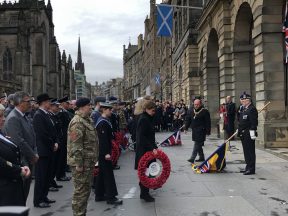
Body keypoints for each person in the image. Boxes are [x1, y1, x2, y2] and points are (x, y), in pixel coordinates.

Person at [3, 91, 38, 204]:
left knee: (25, 193)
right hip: (22, 160)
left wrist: (34, 152)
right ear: (20, 102)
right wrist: (32, 155)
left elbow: (32, 136)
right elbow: (19, 141)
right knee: (21, 194)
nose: (30, 104)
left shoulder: (23, 116)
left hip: (28, 158)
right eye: (28, 101)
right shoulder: (13, 118)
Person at [67, 97, 99, 216]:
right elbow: (76, 145)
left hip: (88, 162)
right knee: (80, 193)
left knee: (85, 192)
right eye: (88, 105)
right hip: (81, 164)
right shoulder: (77, 122)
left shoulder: (86, 120)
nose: (90, 107)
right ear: (81, 107)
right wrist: (79, 164)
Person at [0, 107, 31, 206]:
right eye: (0, 116)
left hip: (12, 187)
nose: (4, 119)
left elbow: (14, 152)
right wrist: (19, 170)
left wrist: (23, 165)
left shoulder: (2, 133)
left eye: (3, 115)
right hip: (4, 190)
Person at [33, 93, 58, 208]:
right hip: (43, 150)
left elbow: (53, 130)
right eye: (48, 102)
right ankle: (38, 200)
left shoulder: (46, 114)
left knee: (47, 176)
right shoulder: (38, 115)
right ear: (43, 103)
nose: (50, 103)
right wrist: (52, 144)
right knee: (41, 177)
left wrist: (55, 142)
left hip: (49, 149)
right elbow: (42, 134)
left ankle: (44, 196)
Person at [94, 102, 123, 205]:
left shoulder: (105, 120)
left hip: (104, 152)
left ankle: (99, 194)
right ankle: (111, 197)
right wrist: (106, 153)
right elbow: (102, 140)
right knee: (108, 174)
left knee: (102, 174)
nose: (111, 111)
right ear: (104, 110)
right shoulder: (102, 122)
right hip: (104, 153)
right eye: (109, 110)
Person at [135, 101, 158, 202]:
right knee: (145, 172)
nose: (154, 112)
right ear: (147, 109)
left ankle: (145, 192)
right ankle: (144, 194)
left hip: (148, 149)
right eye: (153, 110)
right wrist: (151, 148)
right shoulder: (144, 119)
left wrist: (155, 146)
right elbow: (142, 137)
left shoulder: (148, 118)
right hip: (144, 150)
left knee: (148, 171)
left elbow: (150, 136)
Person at [184, 99, 211, 163]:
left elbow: (208, 122)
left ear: (200, 104)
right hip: (194, 130)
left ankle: (192, 158)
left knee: (197, 144)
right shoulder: (191, 110)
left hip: (201, 130)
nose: (196, 106)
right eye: (195, 104)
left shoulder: (205, 111)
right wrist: (186, 128)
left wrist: (208, 131)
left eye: (197, 104)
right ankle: (201, 157)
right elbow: (188, 120)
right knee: (198, 144)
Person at [238, 92, 258, 175]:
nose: (243, 101)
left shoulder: (252, 109)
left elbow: (254, 124)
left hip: (249, 133)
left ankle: (251, 169)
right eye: (242, 100)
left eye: (244, 100)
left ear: (249, 100)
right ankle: (248, 166)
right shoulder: (243, 109)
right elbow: (241, 122)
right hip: (243, 134)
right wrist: (239, 131)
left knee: (250, 151)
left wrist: (252, 135)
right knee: (246, 151)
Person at [48, 99, 63, 191]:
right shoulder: (49, 116)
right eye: (56, 106)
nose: (58, 108)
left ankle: (52, 181)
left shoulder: (54, 116)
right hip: (54, 143)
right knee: (52, 166)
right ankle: (50, 183)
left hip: (58, 142)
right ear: (52, 106)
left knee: (55, 164)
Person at [57, 96, 72, 181]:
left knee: (64, 157)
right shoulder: (61, 113)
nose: (68, 104)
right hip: (63, 137)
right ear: (63, 103)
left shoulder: (64, 112)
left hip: (66, 137)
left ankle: (62, 173)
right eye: (67, 103)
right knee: (61, 157)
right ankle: (60, 175)